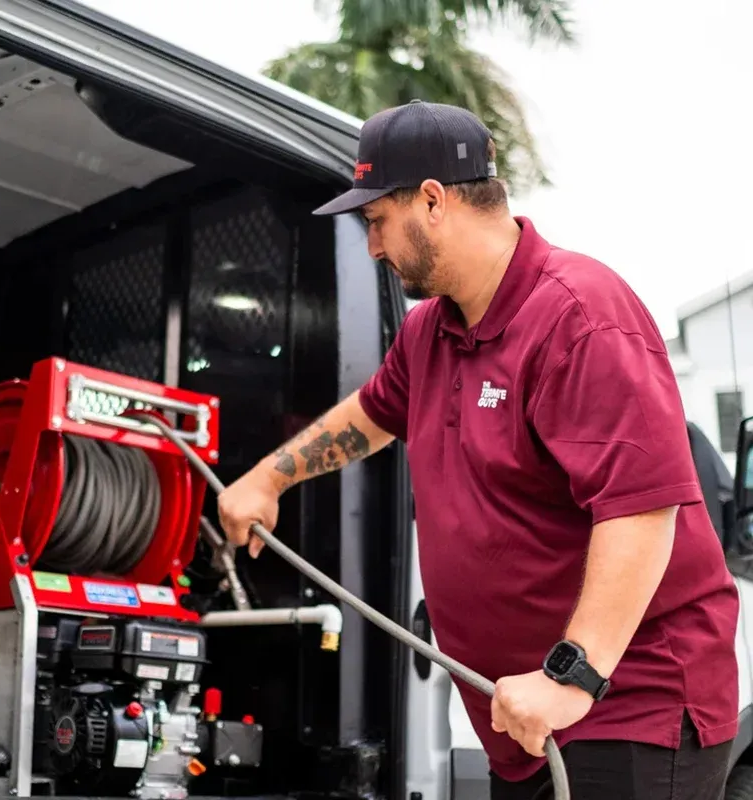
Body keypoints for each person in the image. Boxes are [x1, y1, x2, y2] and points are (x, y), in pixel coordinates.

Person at [217, 100, 740, 800]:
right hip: (522, 719)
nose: (373, 246)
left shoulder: (580, 317)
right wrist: (267, 479)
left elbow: (642, 514)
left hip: (624, 707)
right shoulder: (430, 329)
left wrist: (572, 676)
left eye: (377, 222)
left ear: (433, 201)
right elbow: (372, 415)